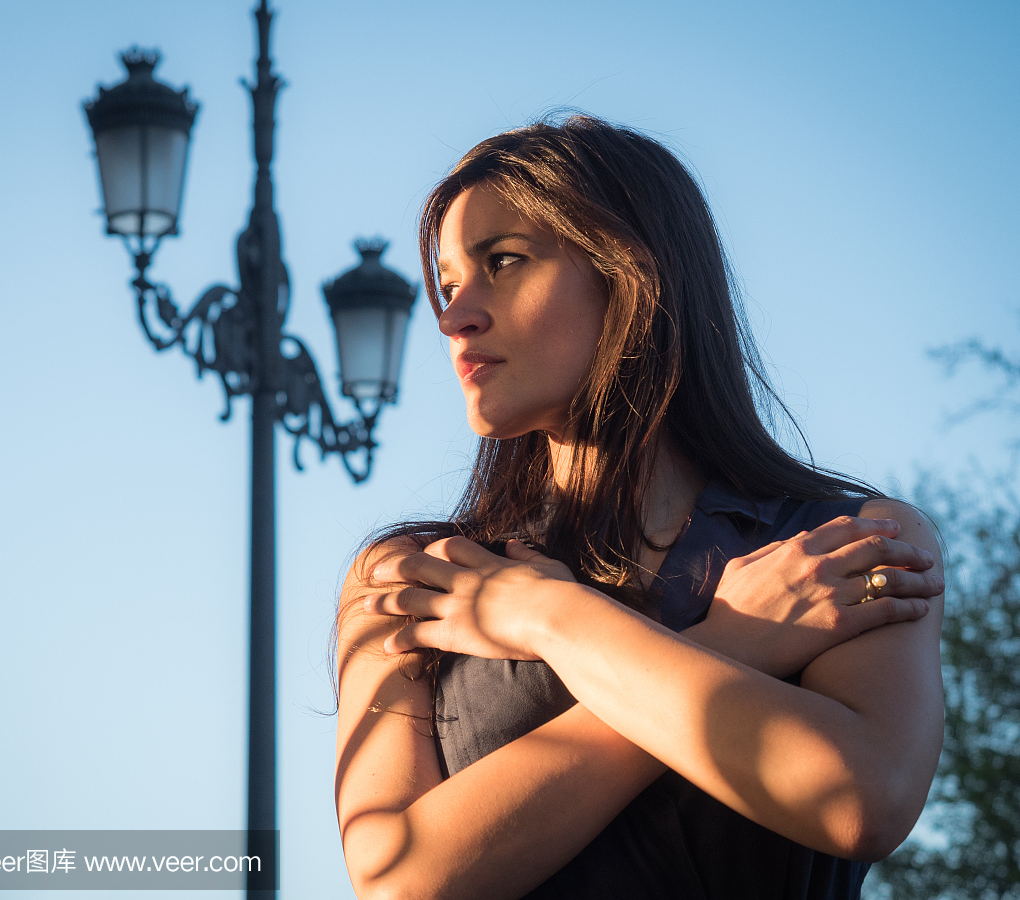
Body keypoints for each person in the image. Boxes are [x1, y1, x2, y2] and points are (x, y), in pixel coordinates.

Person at [333, 116, 944, 900]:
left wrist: (548, 618)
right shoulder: (415, 578)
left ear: (630, 273)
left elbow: (858, 800)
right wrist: (734, 642)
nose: (455, 317)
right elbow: (401, 882)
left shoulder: (845, 542)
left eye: (503, 262)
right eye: (449, 285)